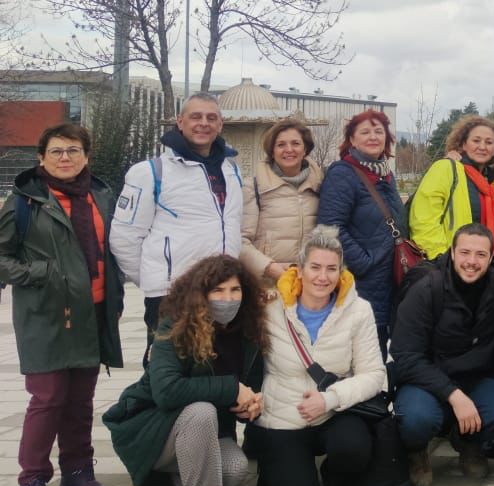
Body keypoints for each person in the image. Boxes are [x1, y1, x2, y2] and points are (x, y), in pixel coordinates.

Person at [0, 122, 124, 486]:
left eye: (73, 150)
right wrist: (42, 273)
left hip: (92, 312)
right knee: (48, 397)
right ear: (41, 158)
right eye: (56, 151)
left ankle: (77, 469)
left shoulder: (101, 196)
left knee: (81, 399)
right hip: (46, 313)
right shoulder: (25, 201)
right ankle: (32, 479)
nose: (65, 158)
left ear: (86, 156)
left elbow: (113, 250)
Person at [103, 255, 267, 486]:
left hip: (207, 435)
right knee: (200, 411)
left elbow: (246, 389)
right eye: (218, 290)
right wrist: (231, 389)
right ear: (201, 294)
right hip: (155, 431)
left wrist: (249, 406)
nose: (228, 298)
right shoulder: (175, 326)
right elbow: (166, 391)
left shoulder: (248, 331)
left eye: (235, 290)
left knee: (235, 469)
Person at [246, 225, 393, 486]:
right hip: (284, 417)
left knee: (353, 445)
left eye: (331, 269)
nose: (322, 277)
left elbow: (374, 374)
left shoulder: (358, 310)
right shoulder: (269, 307)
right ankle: (275, 470)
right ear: (299, 270)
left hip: (333, 413)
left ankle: (334, 478)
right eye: (314, 267)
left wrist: (329, 399)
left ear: (341, 272)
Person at [390, 222, 494, 486]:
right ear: (452, 252)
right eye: (464, 252)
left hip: (477, 376)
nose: (471, 261)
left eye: (480, 254)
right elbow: (405, 356)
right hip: (425, 379)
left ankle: (467, 440)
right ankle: (416, 450)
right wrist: (454, 395)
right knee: (417, 419)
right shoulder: (425, 288)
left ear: (491, 258)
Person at [110, 92, 244, 351]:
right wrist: (156, 280)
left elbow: (233, 225)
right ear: (180, 122)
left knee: (220, 366)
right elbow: (124, 237)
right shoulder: (150, 172)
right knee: (168, 368)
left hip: (222, 292)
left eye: (211, 118)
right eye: (196, 116)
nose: (203, 123)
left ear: (220, 124)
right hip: (171, 295)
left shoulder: (232, 171)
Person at [318, 109, 405, 354]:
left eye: (379, 131)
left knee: (379, 352)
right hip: (361, 282)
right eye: (365, 132)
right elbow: (329, 228)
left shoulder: (385, 174)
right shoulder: (343, 173)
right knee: (362, 352)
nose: (373, 136)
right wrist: (365, 262)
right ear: (352, 140)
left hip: (389, 280)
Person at [408, 115, 494, 261]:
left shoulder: (492, 183)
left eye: (489, 142)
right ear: (463, 144)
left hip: (480, 264)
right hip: (447, 263)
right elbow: (422, 221)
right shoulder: (445, 168)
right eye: (476, 141)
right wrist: (443, 259)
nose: (482, 147)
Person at [240, 118, 324, 285]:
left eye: (295, 143)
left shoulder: (321, 186)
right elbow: (240, 242)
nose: (289, 150)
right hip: (268, 285)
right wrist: (272, 269)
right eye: (281, 145)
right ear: (272, 151)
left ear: (305, 149)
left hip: (310, 284)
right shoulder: (253, 187)